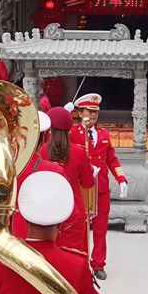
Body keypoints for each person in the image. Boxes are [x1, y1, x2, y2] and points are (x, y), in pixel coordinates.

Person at [72, 93, 127, 280]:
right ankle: (80, 262)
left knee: (101, 229)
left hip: (101, 188)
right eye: (89, 111)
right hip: (81, 187)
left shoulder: (103, 134)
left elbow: (112, 158)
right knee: (80, 228)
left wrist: (121, 179)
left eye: (95, 112)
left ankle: (98, 264)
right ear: (79, 113)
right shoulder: (73, 133)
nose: (93, 115)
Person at [41, 106, 95, 264]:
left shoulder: (42, 151)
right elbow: (88, 183)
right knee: (74, 258)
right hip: (73, 211)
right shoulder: (79, 153)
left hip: (47, 212)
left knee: (50, 258)